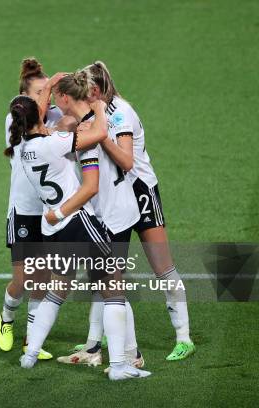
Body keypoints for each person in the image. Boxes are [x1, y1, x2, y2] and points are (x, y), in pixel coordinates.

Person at [14, 72, 150, 380]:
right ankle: (119, 366)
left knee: (56, 290)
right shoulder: (63, 139)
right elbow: (90, 184)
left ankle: (30, 354)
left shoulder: (28, 145)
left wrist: (48, 89)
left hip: (53, 230)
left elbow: (40, 115)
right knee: (113, 289)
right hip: (75, 222)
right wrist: (99, 107)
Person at [77, 61, 195, 361]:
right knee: (106, 272)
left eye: (83, 90)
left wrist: (101, 136)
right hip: (113, 198)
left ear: (94, 90)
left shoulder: (121, 113)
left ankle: (184, 337)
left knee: (162, 266)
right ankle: (95, 342)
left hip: (141, 193)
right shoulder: (99, 111)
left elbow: (127, 161)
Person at [0, 57, 72, 360]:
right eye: (39, 92)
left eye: (48, 91)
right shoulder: (16, 117)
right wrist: (52, 83)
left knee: (43, 277)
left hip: (50, 212)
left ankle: (32, 339)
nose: (47, 96)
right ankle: (6, 317)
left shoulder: (54, 115)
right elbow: (38, 116)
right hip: (24, 208)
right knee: (24, 277)